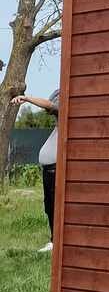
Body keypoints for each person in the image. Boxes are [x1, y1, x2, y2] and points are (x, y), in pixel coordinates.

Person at [14, 91, 59, 253]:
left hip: (56, 169)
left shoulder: (67, 104)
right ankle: (54, 240)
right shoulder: (58, 124)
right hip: (49, 169)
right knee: (49, 206)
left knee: (55, 206)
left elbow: (49, 105)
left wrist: (27, 98)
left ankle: (57, 242)